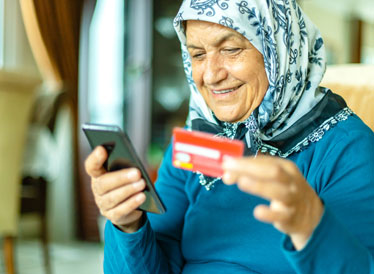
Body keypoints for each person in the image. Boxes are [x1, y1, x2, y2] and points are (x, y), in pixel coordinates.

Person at [85, 0, 374, 273]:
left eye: (231, 49)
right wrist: (128, 224)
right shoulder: (197, 138)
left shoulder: (349, 149)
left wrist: (310, 223)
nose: (210, 75)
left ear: (278, 48)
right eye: (197, 54)